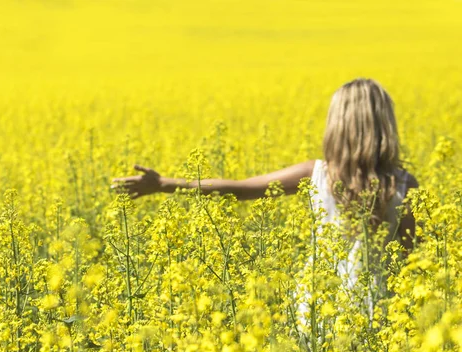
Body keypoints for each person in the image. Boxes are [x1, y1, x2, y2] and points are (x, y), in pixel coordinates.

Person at [112, 78, 419, 257]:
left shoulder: (316, 174)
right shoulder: (404, 184)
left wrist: (164, 183)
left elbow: (239, 188)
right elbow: (408, 258)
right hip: (381, 312)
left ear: (336, 125)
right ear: (385, 125)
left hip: (320, 311)